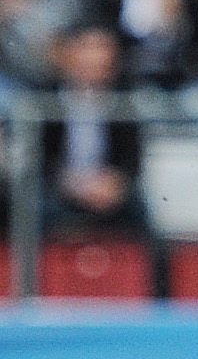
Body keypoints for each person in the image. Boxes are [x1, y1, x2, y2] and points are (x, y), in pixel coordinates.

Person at [40, 23, 150, 240]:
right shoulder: (43, 97)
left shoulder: (125, 99)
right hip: (59, 187)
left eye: (103, 48)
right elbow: (38, 160)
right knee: (36, 211)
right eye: (88, 47)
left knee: (144, 217)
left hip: (107, 188)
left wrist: (115, 183)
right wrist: (72, 184)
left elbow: (131, 159)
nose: (96, 57)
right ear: (68, 53)